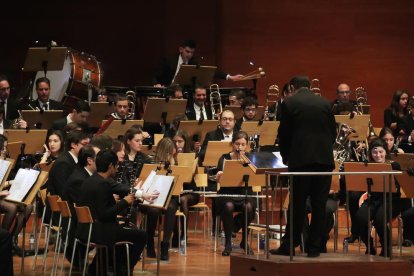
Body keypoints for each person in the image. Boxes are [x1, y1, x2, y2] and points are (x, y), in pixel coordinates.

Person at [271, 76, 336, 257]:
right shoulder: (325, 103)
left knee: (297, 205)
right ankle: (314, 248)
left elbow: (283, 134)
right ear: (309, 87)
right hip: (324, 162)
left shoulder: (290, 103)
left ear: (293, 86)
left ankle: (289, 246)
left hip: (301, 162)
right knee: (319, 205)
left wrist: (286, 157)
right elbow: (333, 133)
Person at [77, 150, 149, 275]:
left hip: (86, 229)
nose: (117, 168)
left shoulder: (90, 180)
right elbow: (104, 214)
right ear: (111, 166)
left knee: (124, 231)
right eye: (116, 165)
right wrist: (125, 202)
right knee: (141, 235)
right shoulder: (102, 184)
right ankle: (124, 269)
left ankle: (100, 269)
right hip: (99, 231)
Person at [353, 138, 406, 256]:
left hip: (391, 200)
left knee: (379, 218)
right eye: (374, 152)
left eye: (381, 152)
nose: (378, 155)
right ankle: (369, 245)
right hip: (374, 199)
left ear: (386, 152)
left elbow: (400, 185)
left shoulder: (394, 165)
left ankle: (386, 247)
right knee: (359, 218)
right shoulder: (368, 165)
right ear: (371, 153)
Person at [215, 131, 255, 256]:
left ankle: (244, 241)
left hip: (245, 193)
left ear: (247, 145)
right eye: (237, 144)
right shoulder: (224, 158)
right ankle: (227, 243)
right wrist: (219, 177)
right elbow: (220, 178)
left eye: (243, 144)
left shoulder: (250, 158)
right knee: (228, 206)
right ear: (232, 144)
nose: (240, 147)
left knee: (248, 207)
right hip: (226, 194)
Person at [152, 39, 243, 87]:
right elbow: (156, 75)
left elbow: (210, 71)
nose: (189, 55)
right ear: (180, 49)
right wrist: (156, 84)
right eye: (187, 51)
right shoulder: (169, 61)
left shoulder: (194, 62)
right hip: (169, 89)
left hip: (184, 92)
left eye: (192, 52)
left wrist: (229, 77)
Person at [47, 130, 89, 197]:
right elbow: (63, 191)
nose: (88, 148)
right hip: (61, 206)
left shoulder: (76, 159)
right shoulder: (63, 163)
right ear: (73, 145)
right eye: (84, 144)